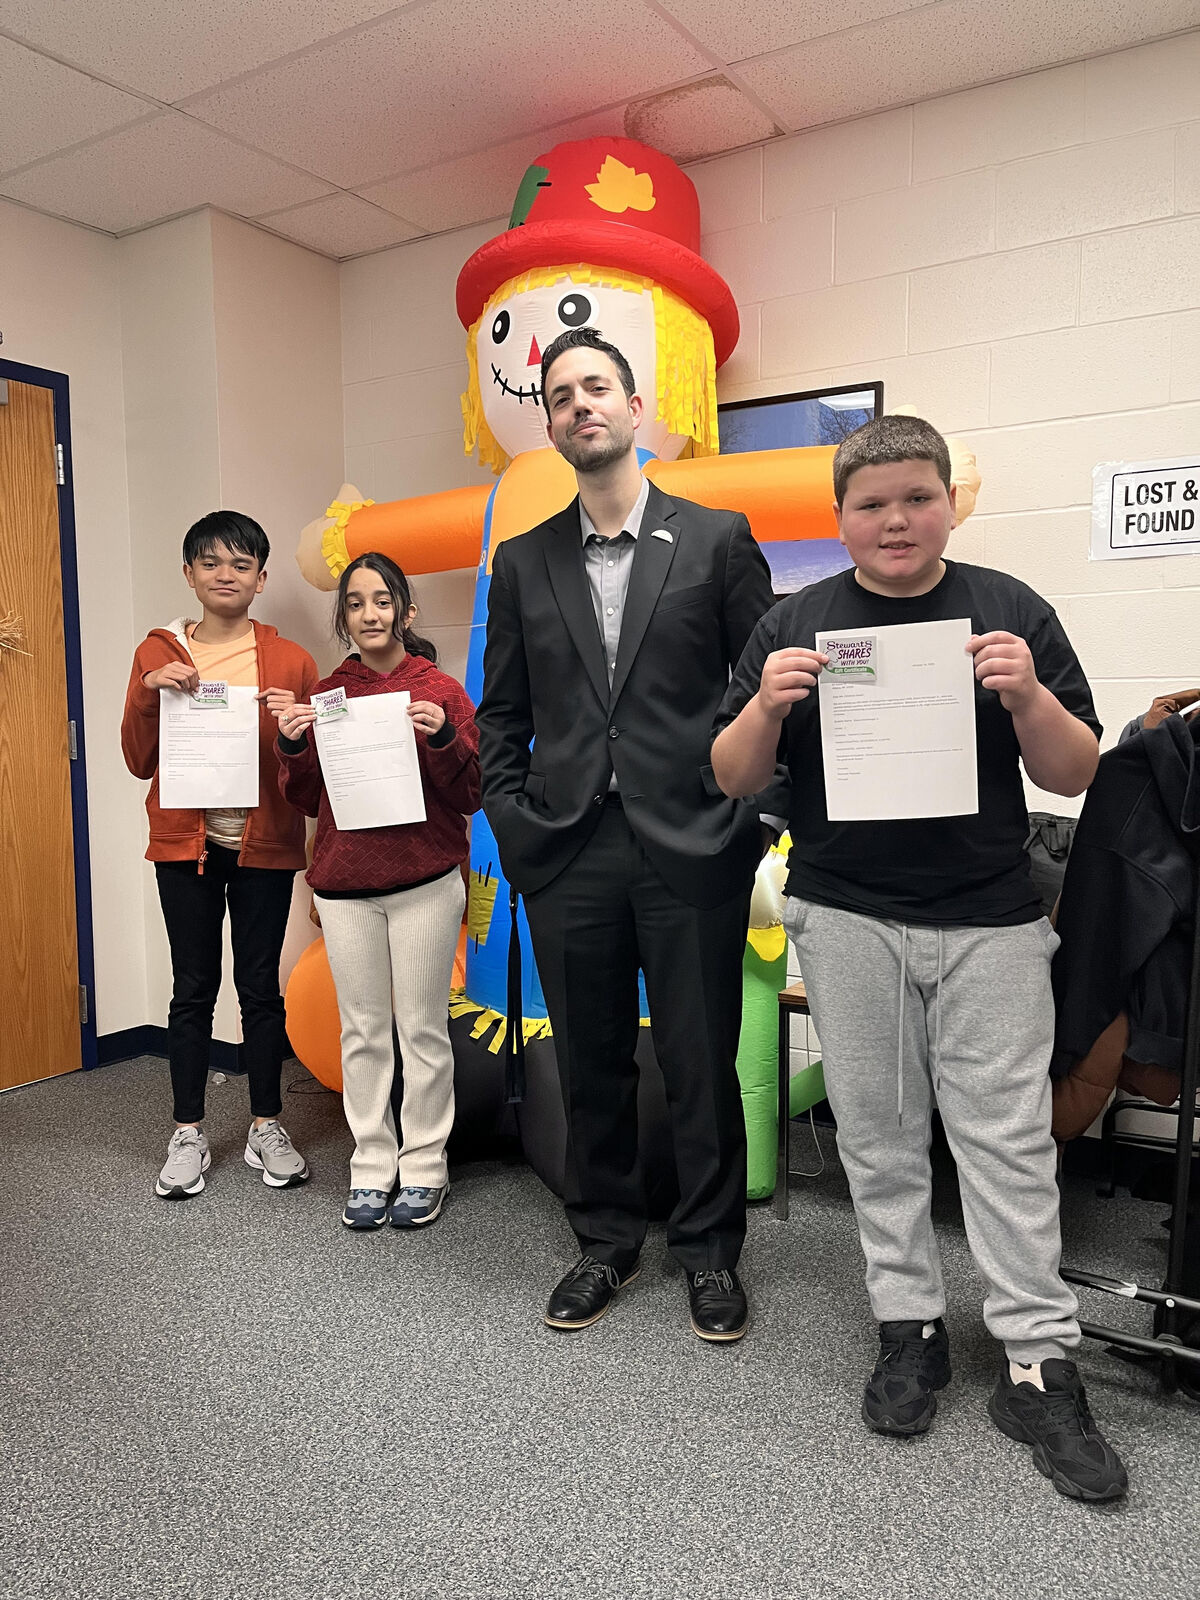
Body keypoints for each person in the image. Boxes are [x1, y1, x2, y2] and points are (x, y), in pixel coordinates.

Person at [711, 414, 1128, 1501]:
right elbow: (731, 776)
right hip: (847, 914)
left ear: (950, 502)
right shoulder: (795, 622)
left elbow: (1078, 772)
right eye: (872, 503)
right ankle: (910, 1328)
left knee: (1008, 1141)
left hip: (991, 918)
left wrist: (1027, 693)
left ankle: (1037, 1362)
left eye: (917, 497)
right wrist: (767, 707)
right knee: (880, 1134)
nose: (896, 520)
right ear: (840, 517)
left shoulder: (1009, 609)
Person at [476, 326, 781, 1341]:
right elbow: (502, 713)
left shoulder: (717, 540)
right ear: (551, 425)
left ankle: (710, 1252)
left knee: (700, 1062)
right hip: (568, 850)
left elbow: (764, 694)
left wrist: (754, 821)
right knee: (590, 1061)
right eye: (561, 395)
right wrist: (514, 819)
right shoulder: (522, 562)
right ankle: (605, 1241)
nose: (580, 405)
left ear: (635, 406)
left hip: (694, 840)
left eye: (596, 387)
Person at [275, 554, 479, 1231]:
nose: (370, 614)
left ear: (406, 612)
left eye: (382, 600)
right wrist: (293, 747)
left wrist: (443, 736)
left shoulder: (439, 690)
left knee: (422, 1030)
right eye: (356, 602)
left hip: (425, 884)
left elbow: (472, 791)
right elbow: (307, 799)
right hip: (345, 888)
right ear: (344, 616)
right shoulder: (327, 696)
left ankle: (424, 1166)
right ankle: (370, 1164)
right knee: (361, 1031)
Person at [122, 511, 318, 1199]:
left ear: (261, 579)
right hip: (186, 848)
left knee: (261, 988)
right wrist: (149, 694)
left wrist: (295, 732)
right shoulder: (158, 653)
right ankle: (188, 1132)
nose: (225, 574)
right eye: (210, 562)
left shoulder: (293, 661)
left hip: (265, 846)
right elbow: (137, 759)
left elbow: (309, 780)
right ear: (189, 574)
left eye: (241, 564)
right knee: (192, 988)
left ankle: (267, 1124)